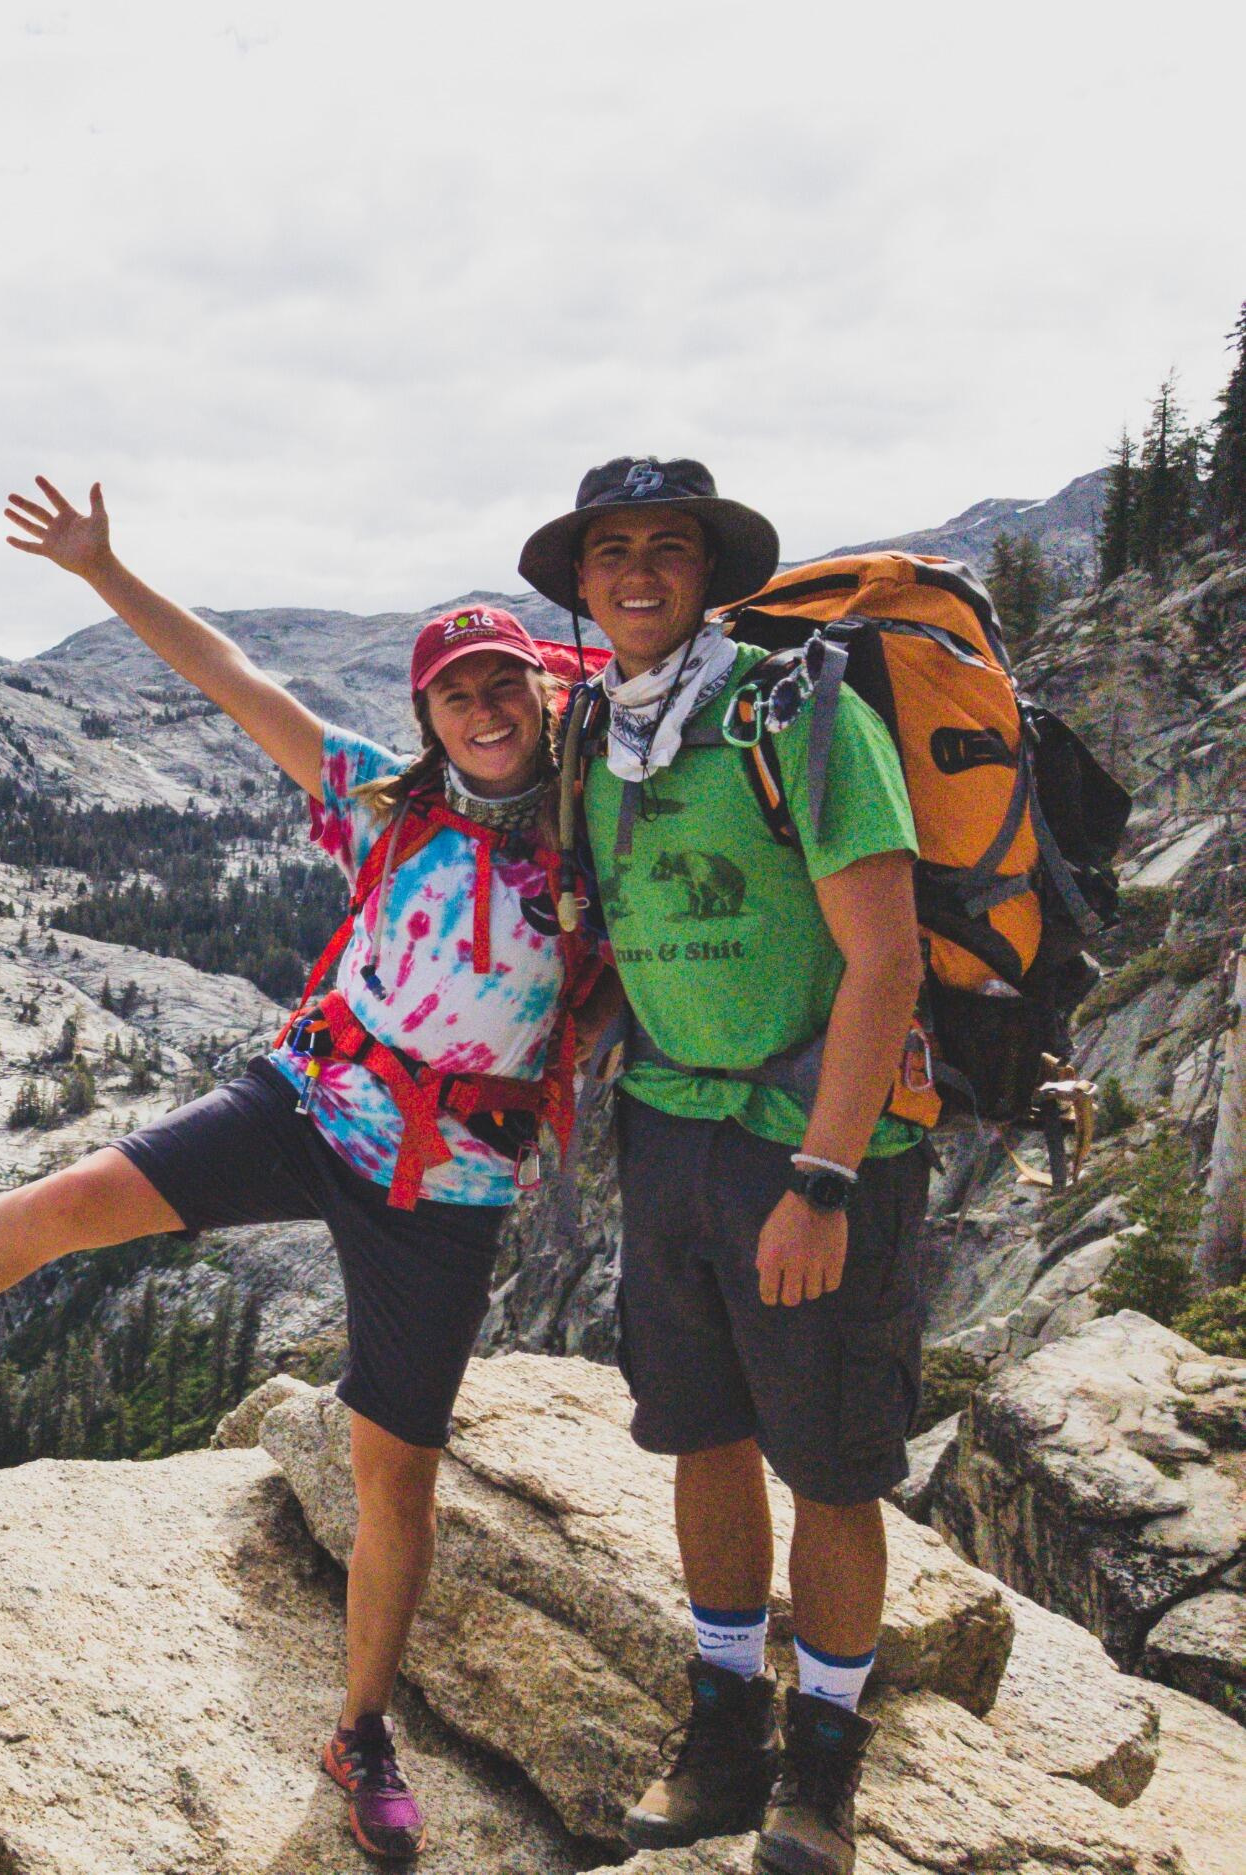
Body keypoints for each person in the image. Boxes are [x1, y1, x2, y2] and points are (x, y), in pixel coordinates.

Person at [0, 475, 610, 1864]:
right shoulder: (388, 804)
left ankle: (360, 1729)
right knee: (70, 1205)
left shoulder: (598, 846)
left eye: (506, 689)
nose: (487, 713)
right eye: (459, 697)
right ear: (429, 718)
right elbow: (233, 677)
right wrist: (104, 572)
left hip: (442, 1186)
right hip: (308, 1100)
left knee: (398, 1474)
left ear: (541, 698)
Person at [518, 457, 930, 1875]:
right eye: (612, 549)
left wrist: (825, 1179)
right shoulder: (595, 730)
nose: (640, 573)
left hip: (813, 1137)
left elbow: (888, 954)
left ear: (711, 570)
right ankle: (721, 1723)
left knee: (828, 1457)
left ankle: (823, 1756)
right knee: (699, 1429)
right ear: (580, 581)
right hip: (673, 1126)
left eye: (670, 548)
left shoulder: (797, 710)